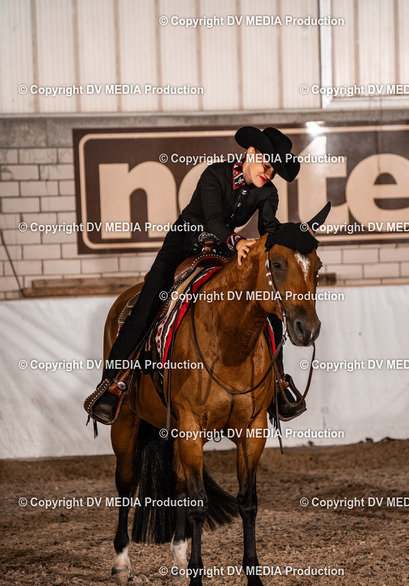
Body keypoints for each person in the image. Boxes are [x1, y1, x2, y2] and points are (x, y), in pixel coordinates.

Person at [85, 126, 303, 424]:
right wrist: (237, 241)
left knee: (266, 307)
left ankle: (277, 383)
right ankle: (112, 383)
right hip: (184, 242)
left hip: (224, 248)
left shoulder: (268, 192)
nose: (269, 173)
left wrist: (293, 236)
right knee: (150, 301)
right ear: (251, 153)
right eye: (266, 166)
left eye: (274, 171)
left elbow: (269, 229)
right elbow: (212, 220)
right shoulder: (215, 174)